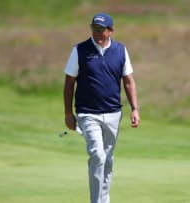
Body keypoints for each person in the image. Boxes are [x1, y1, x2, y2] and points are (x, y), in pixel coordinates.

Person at [63, 12, 140, 203]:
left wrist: (135, 108)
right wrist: (68, 113)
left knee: (107, 160)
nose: (96, 33)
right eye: (94, 29)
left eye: (101, 30)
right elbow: (69, 83)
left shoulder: (121, 50)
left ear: (111, 31)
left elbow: (129, 81)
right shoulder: (79, 50)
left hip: (113, 113)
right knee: (97, 154)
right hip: (88, 114)